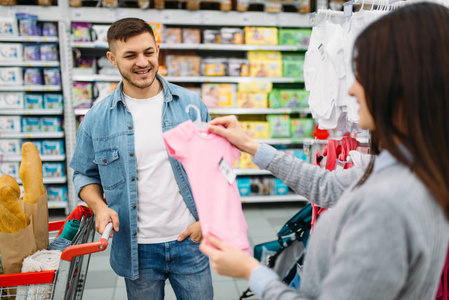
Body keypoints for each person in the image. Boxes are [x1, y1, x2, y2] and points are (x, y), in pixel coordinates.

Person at [200, 3, 449, 299]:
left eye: (363, 74)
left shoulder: (386, 206)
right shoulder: (412, 166)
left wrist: (252, 272)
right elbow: (328, 186)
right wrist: (250, 145)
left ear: (399, 86)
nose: (351, 90)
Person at [69, 18, 213, 300]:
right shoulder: (97, 119)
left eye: (148, 52)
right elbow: (84, 174)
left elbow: (213, 170)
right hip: (137, 249)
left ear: (157, 50)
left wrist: (206, 221)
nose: (142, 62)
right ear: (112, 59)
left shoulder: (191, 105)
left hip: (190, 240)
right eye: (130, 55)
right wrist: (98, 207)